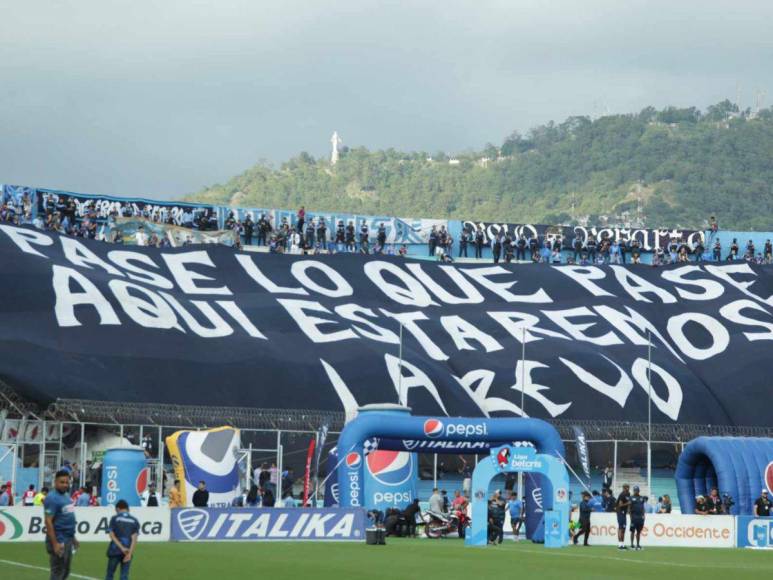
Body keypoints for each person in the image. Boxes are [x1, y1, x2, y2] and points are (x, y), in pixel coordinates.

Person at [44, 470, 79, 580]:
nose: (65, 485)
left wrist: (73, 538)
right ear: (55, 482)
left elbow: (66, 519)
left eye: (66, 482)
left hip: (68, 538)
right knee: (58, 572)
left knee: (66, 570)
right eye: (62, 482)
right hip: (59, 539)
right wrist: (55, 543)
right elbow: (48, 521)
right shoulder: (52, 497)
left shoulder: (67, 496)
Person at [106, 499, 139, 580]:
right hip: (127, 552)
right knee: (124, 576)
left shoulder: (115, 518)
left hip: (115, 550)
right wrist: (129, 553)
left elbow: (112, 535)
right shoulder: (134, 520)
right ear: (127, 509)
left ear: (118, 509)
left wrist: (121, 548)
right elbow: (134, 539)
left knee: (110, 574)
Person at [629, 485, 646, 550]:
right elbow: (629, 508)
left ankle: (638, 545)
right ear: (633, 491)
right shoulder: (631, 498)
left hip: (640, 518)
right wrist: (631, 517)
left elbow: (642, 507)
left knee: (638, 532)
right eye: (635, 490)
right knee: (632, 531)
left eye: (637, 490)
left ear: (639, 491)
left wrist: (643, 515)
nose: (636, 491)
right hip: (634, 517)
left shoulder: (642, 498)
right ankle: (632, 545)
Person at [615, 484, 631, 550]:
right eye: (627, 487)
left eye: (628, 487)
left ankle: (623, 544)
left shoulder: (628, 494)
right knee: (620, 528)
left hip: (624, 513)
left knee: (624, 528)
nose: (628, 488)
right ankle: (619, 545)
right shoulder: (622, 494)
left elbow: (628, 503)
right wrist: (628, 504)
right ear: (624, 488)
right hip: (620, 512)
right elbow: (620, 505)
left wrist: (628, 509)